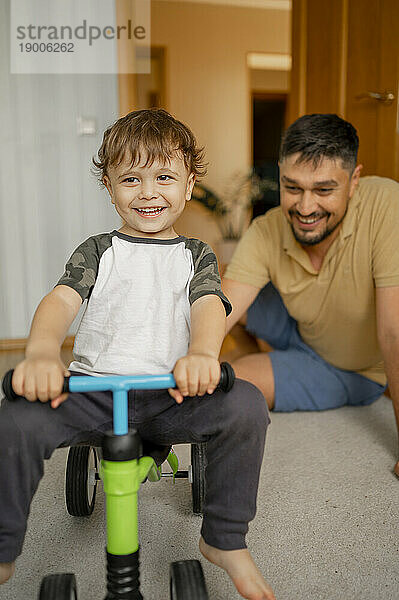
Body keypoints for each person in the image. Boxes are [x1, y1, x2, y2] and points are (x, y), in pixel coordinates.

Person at [0, 109, 275, 600]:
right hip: (94, 393)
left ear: (189, 184)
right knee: (15, 418)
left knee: (246, 405)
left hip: (172, 394)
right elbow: (61, 301)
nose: (148, 193)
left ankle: (225, 539)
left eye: (164, 177)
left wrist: (202, 353)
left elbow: (209, 304)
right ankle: (2, 550)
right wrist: (42, 354)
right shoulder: (98, 250)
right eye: (131, 179)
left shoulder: (196, 255)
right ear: (109, 187)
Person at [222, 113, 399, 477]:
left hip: (347, 368)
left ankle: (272, 354)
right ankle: (264, 342)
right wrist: (176, 367)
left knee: (232, 382)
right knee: (223, 293)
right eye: (293, 188)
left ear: (354, 181)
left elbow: (393, 334)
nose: (305, 208)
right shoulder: (267, 228)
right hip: (297, 319)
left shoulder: (387, 204)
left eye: (323, 190)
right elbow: (218, 310)